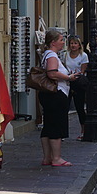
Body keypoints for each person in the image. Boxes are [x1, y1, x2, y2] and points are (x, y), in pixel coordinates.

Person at [39, 30, 73, 167]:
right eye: (61, 40)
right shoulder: (52, 55)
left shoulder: (46, 54)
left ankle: (47, 157)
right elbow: (52, 73)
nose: (63, 42)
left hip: (48, 94)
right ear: (53, 42)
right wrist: (68, 77)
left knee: (48, 125)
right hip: (55, 94)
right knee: (56, 125)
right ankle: (56, 158)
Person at [64, 35, 89, 140]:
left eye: (75, 43)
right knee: (64, 108)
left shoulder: (83, 56)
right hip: (67, 82)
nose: (73, 45)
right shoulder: (65, 55)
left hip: (78, 83)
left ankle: (83, 131)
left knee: (80, 108)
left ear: (79, 45)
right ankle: (63, 133)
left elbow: (82, 71)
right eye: (71, 43)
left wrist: (76, 75)